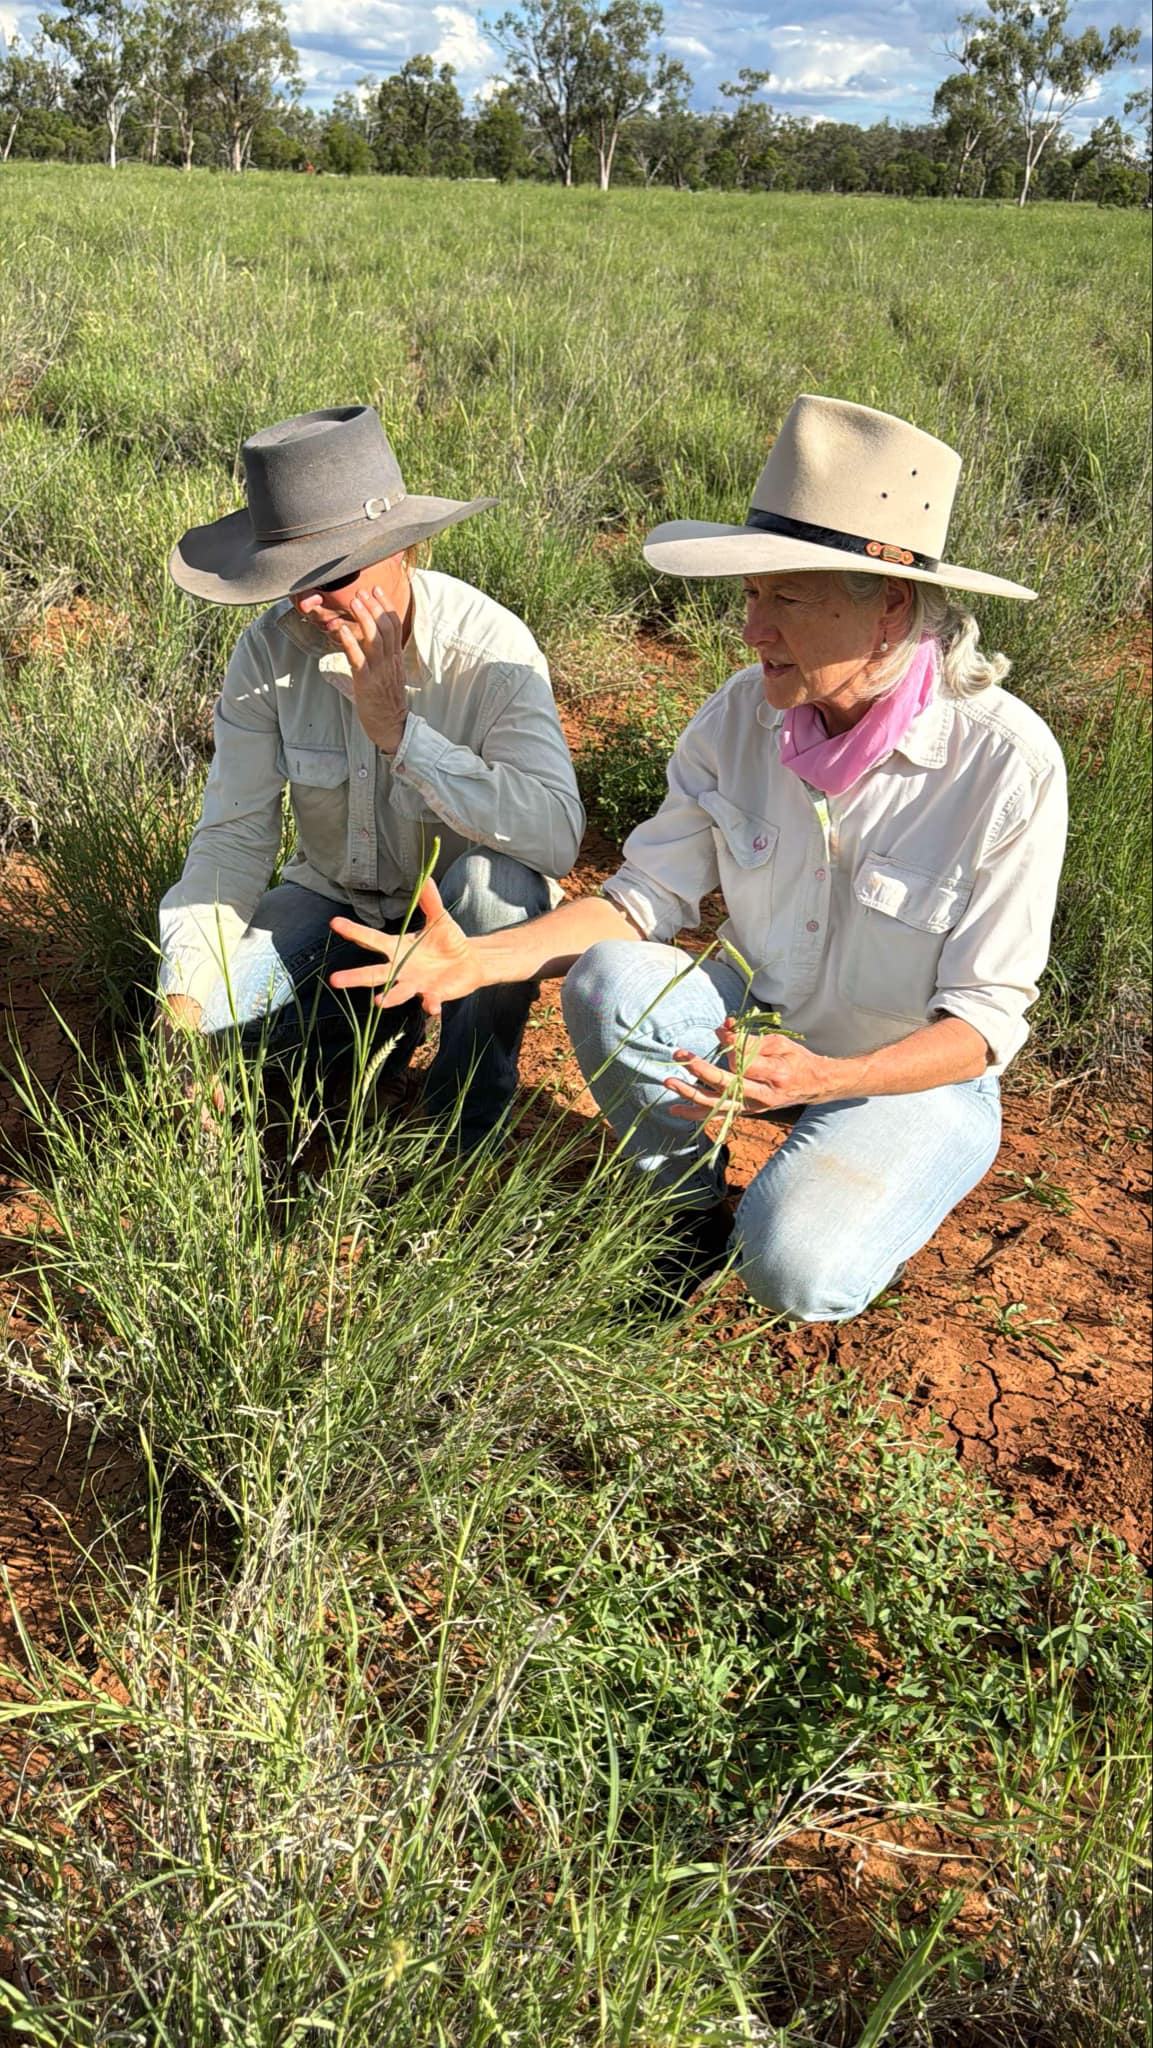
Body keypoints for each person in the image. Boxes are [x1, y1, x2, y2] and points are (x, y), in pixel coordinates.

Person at [325, 396, 1068, 1320]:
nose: (751, 631)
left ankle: (809, 1201)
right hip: (756, 1035)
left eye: (785, 599)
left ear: (889, 609)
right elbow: (642, 898)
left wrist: (831, 1080)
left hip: (910, 1074)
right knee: (608, 980)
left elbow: (983, 1026)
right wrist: (480, 960)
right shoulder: (739, 715)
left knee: (796, 1267)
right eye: (750, 596)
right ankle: (684, 1212)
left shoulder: (1005, 765)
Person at [157, 404, 584, 1149]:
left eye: (335, 576)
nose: (308, 604)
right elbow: (232, 839)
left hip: (454, 926)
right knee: (210, 1035)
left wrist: (400, 735)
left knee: (498, 892)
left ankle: (459, 1133)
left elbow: (554, 836)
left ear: (404, 550)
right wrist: (186, 995)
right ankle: (361, 1039)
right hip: (333, 902)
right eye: (291, 579)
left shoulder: (490, 650)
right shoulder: (268, 651)